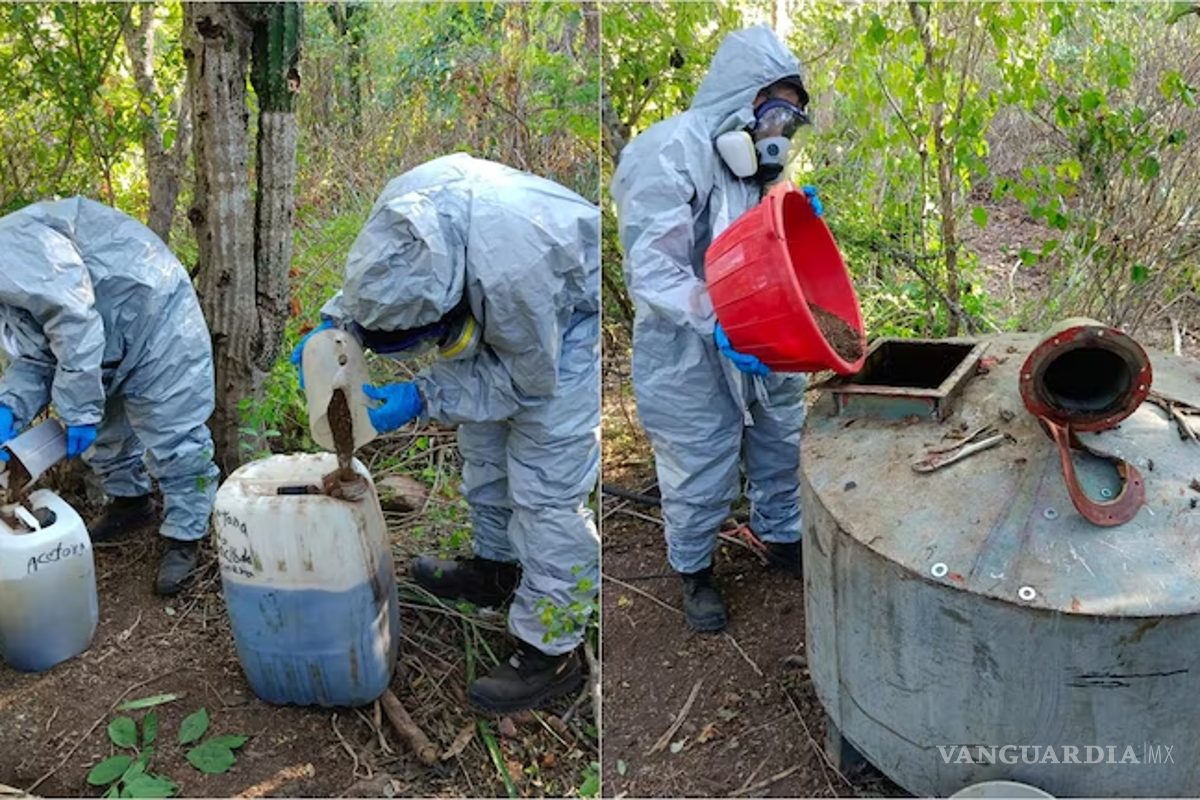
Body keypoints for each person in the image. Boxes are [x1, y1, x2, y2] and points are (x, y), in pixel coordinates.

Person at [293, 153, 600, 713]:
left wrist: (425, 397)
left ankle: (553, 649)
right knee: (483, 451)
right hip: (490, 296)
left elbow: (528, 381)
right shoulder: (405, 207)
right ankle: (496, 569)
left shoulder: (515, 275)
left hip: (563, 330)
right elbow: (382, 271)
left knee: (547, 492)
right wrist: (336, 323)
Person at [610, 25, 823, 633]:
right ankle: (695, 569)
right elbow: (653, 270)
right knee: (700, 465)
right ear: (743, 94)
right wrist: (717, 319)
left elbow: (768, 255)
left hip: (764, 338)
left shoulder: (756, 166)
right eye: (776, 110)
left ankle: (781, 536)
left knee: (781, 441)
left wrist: (795, 226)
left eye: (792, 120)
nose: (779, 131)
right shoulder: (669, 149)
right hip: (688, 352)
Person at [0, 197, 221, 595]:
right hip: (103, 339)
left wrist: (79, 409)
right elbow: (37, 354)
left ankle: (186, 537)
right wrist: (9, 409)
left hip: (155, 316)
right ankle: (130, 504)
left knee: (174, 432)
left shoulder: (10, 250)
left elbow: (74, 322)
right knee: (107, 434)